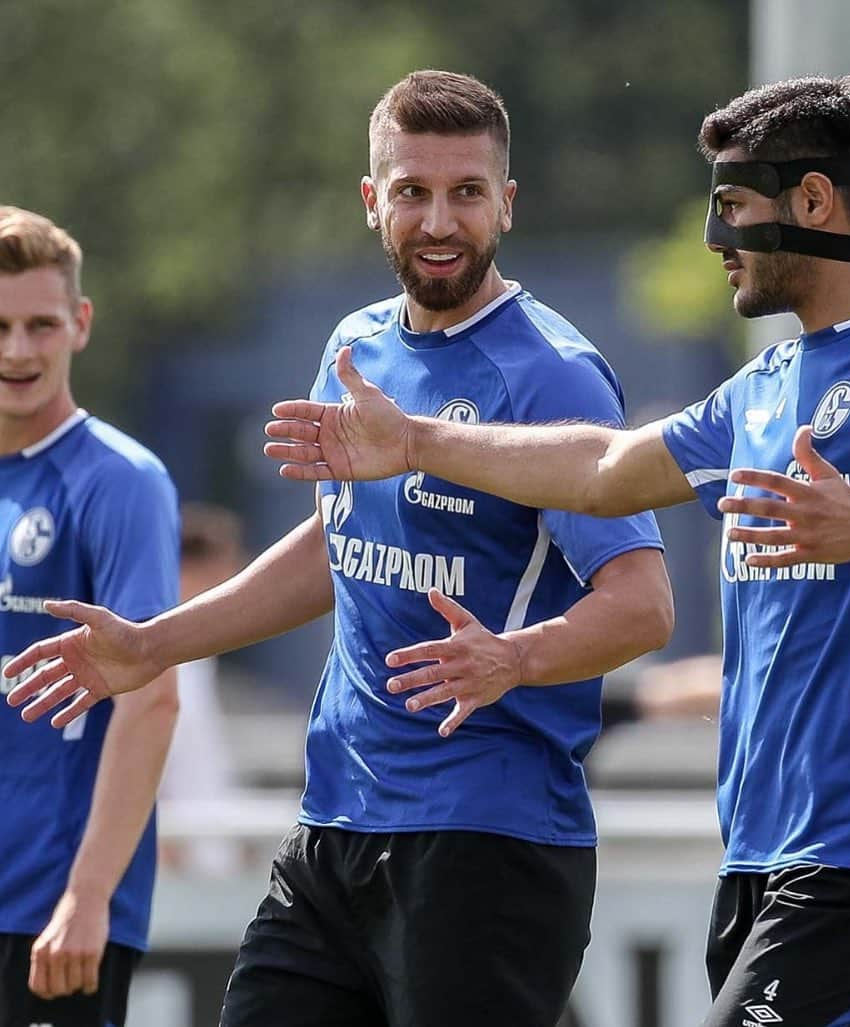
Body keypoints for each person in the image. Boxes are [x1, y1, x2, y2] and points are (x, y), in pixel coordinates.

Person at [253, 77, 850, 1026]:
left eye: (735, 206)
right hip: (765, 852)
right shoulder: (766, 384)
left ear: (814, 202)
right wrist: (418, 440)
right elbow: (604, 469)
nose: (716, 239)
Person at [6, 71, 673, 1027]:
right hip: (334, 828)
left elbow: (644, 603)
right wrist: (156, 643)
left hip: (485, 838)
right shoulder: (355, 349)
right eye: (411, 191)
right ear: (373, 202)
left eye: (465, 193)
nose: (438, 220)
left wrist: (511, 659)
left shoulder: (552, 374)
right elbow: (337, 544)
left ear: (506, 205)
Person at [0, 207, 179, 1027]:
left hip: (45, 913)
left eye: (40, 323)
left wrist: (88, 894)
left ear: (80, 324)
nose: (18, 350)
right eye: (0, 326)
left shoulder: (118, 481)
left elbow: (152, 695)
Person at [158, 503, 246, 876]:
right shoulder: (160, 662)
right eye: (219, 575)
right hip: (174, 881)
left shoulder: (196, 662)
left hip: (210, 874)